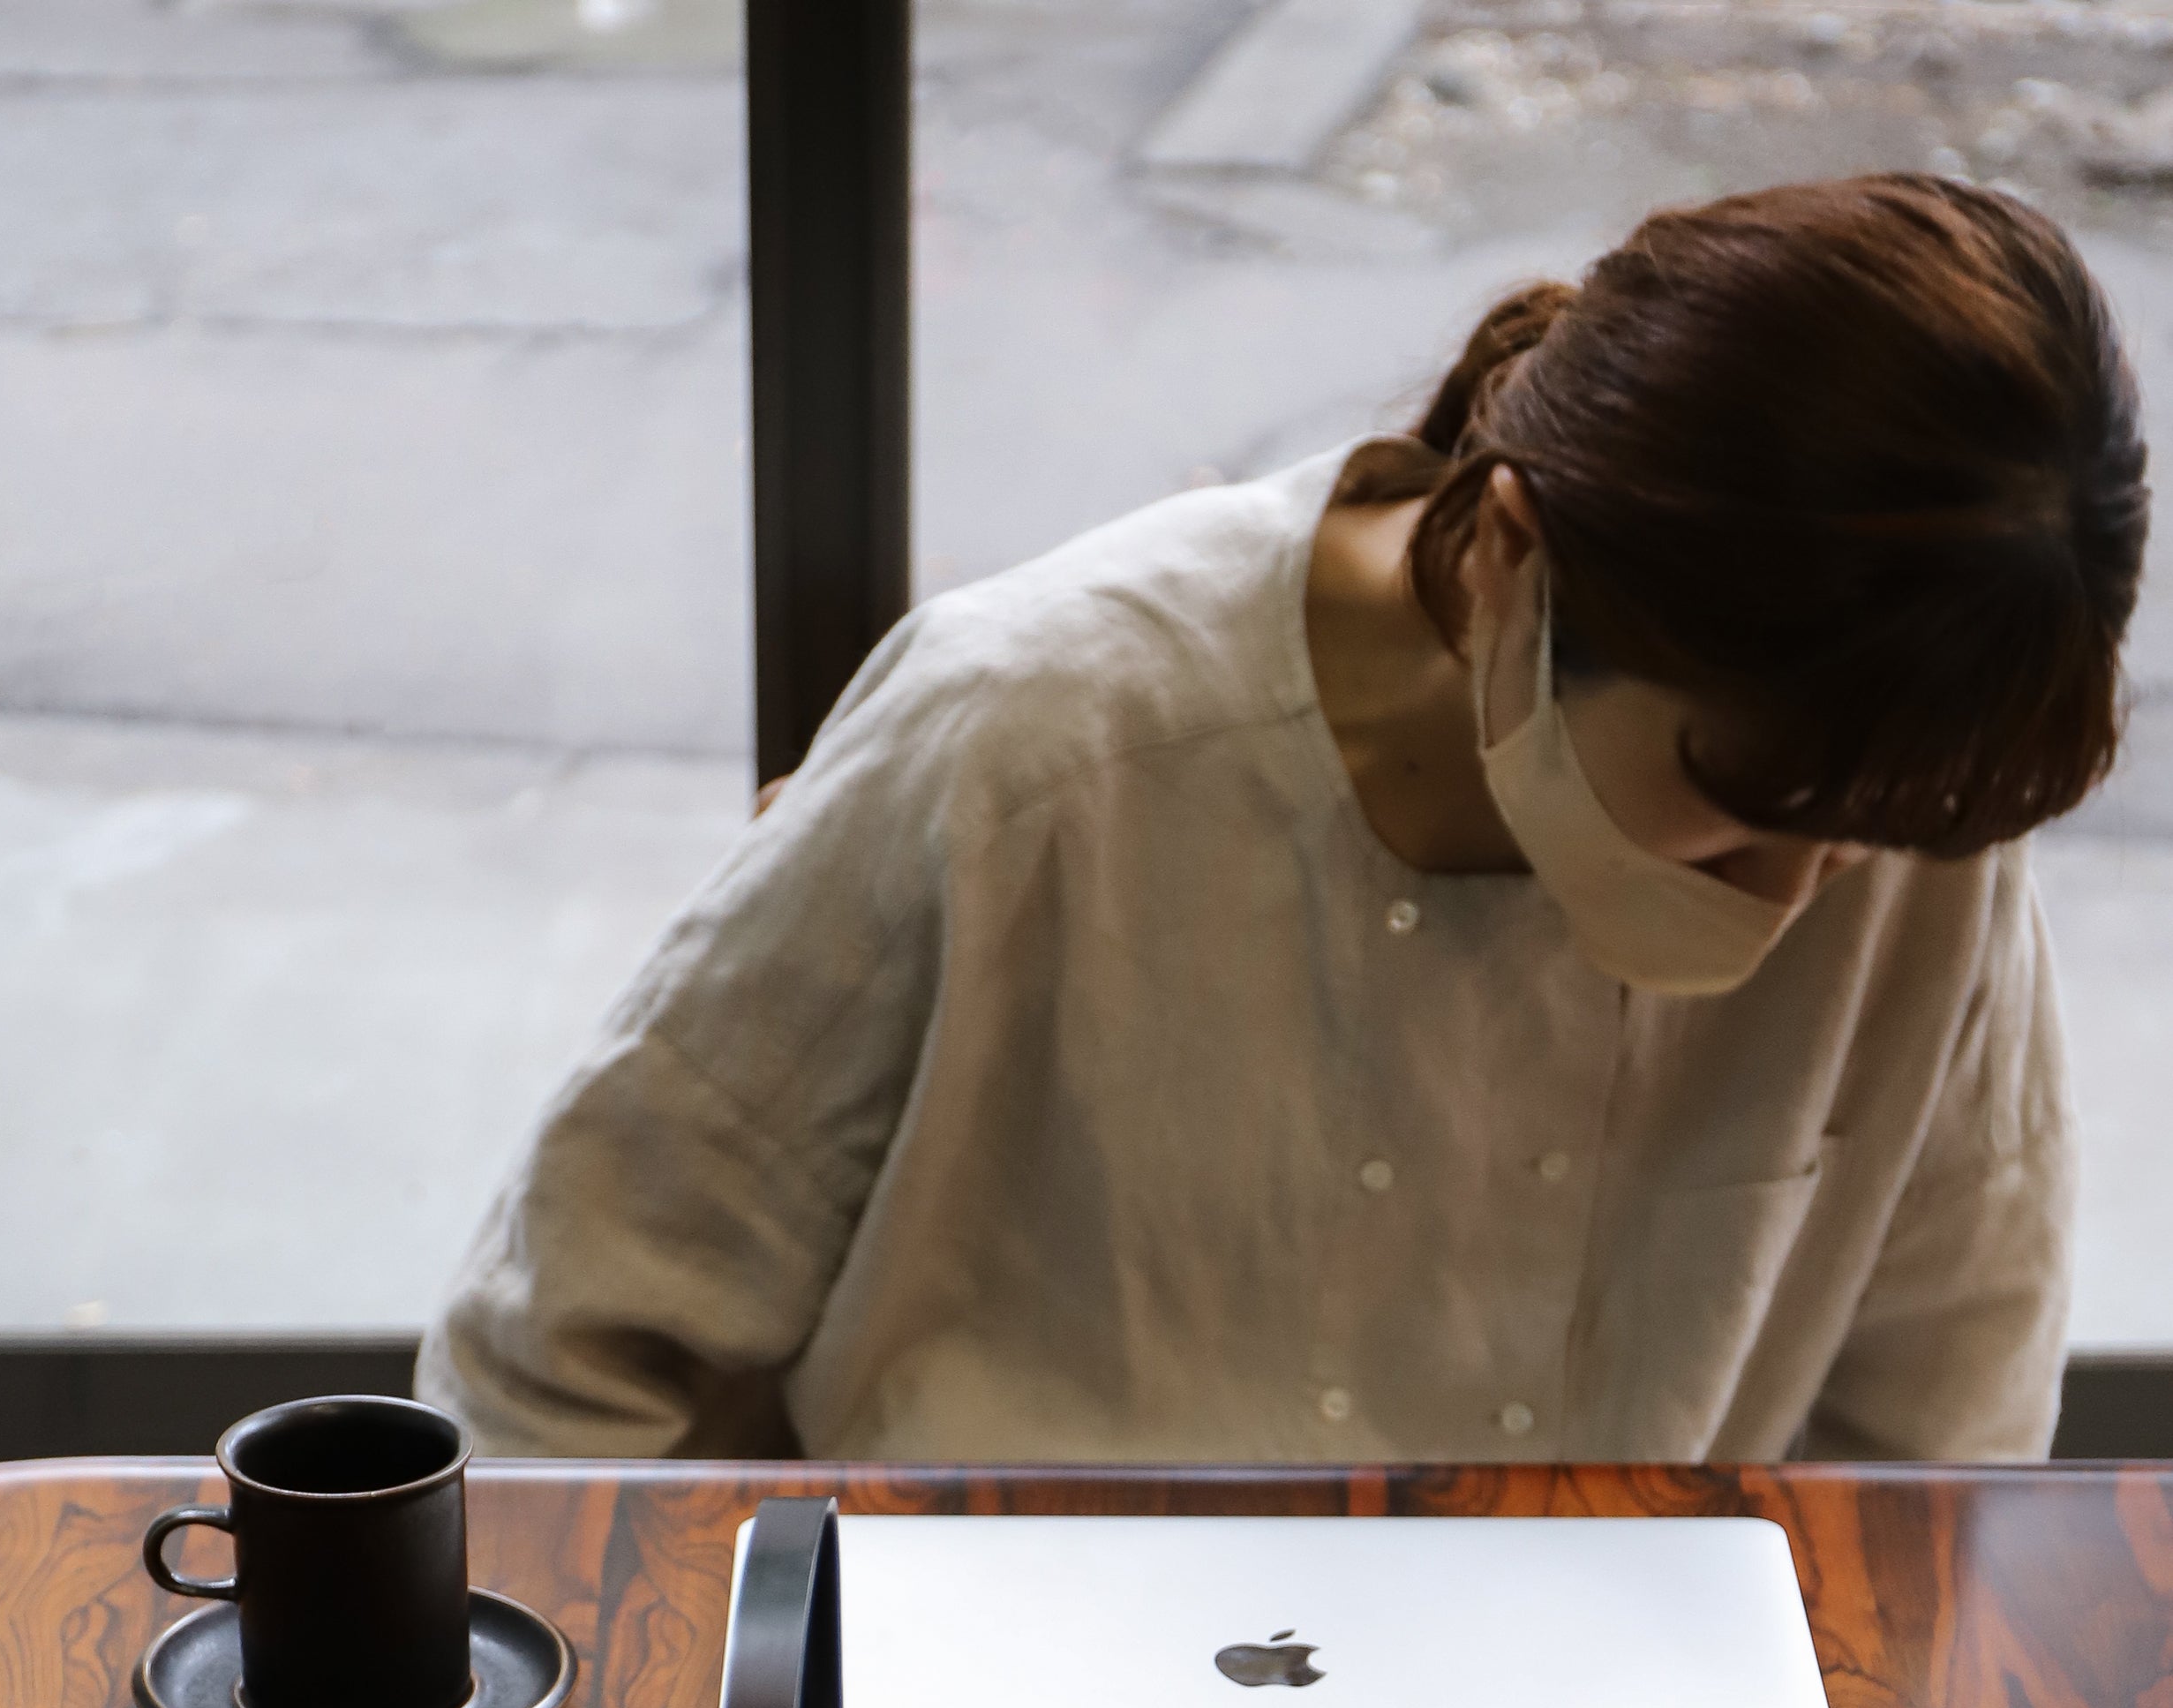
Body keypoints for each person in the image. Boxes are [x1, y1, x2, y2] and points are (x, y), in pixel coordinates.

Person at [420, 175, 2147, 1467]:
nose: (1810, 891)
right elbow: (556, 1359)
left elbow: (1942, 1454)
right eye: (1743, 807)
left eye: (1869, 834)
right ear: (1513, 559)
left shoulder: (1895, 790)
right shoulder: (1039, 742)